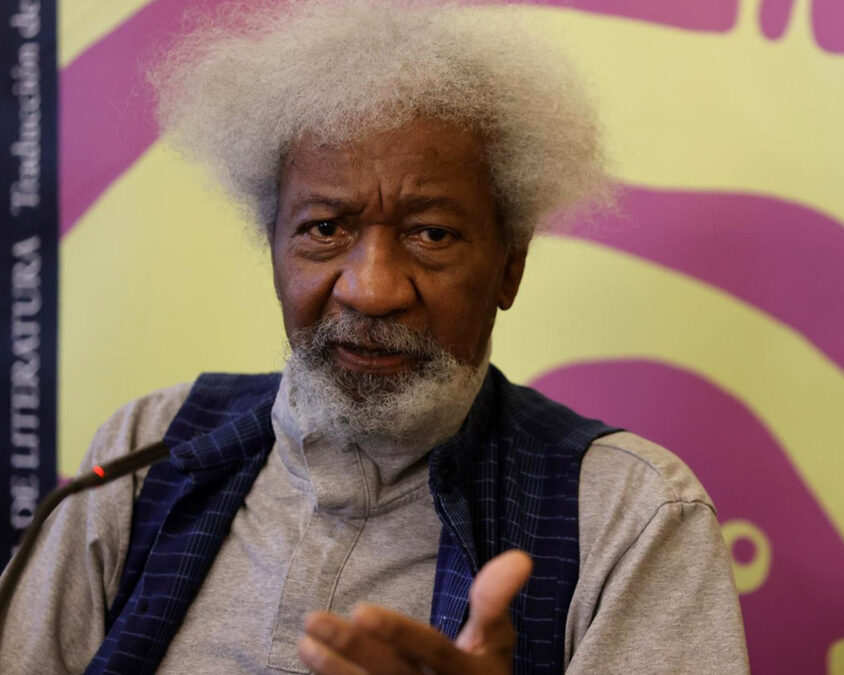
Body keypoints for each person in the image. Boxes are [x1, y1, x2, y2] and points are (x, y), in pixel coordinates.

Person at [0, 1, 748, 673]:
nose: (372, 289)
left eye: (432, 233)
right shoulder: (145, 452)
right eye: (326, 228)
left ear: (509, 268)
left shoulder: (630, 514)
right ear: (274, 249)